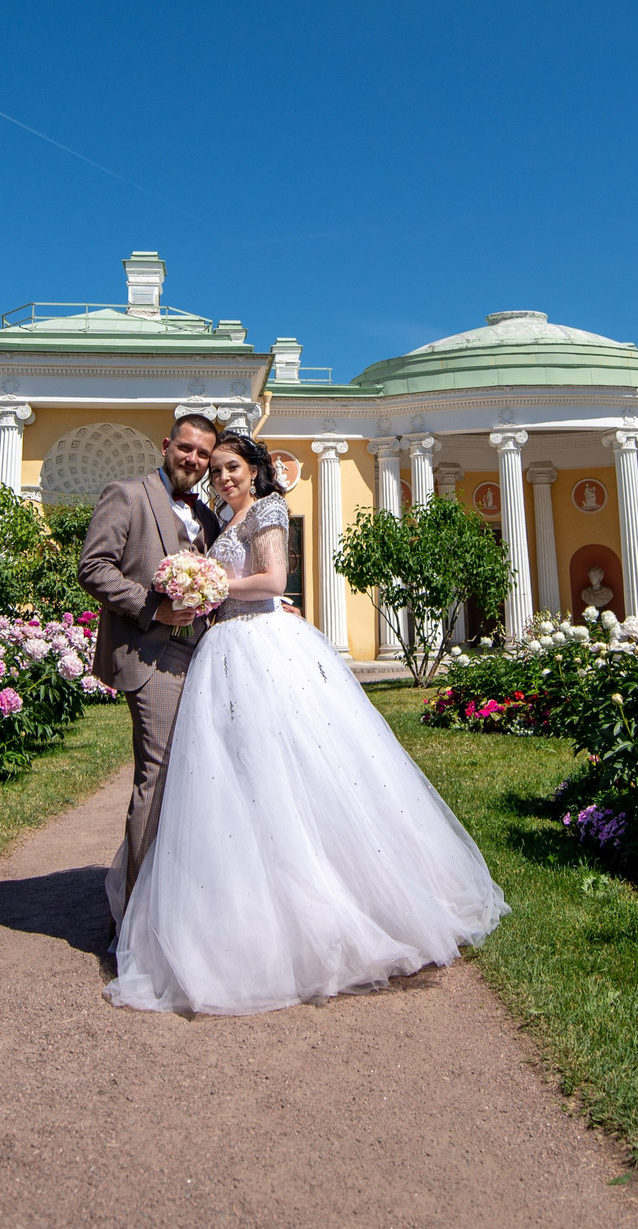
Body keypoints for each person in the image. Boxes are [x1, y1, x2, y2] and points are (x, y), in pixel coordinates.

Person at [107, 429, 508, 1015]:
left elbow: (271, 581)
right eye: (215, 469)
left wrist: (213, 587)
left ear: (255, 468)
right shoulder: (222, 518)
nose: (221, 476)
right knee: (235, 777)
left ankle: (318, 902)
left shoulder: (268, 508)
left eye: (231, 467)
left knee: (283, 766)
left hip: (257, 648)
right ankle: (238, 902)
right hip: (222, 649)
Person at [77, 413, 226, 927]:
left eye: (203, 454)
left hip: (200, 657)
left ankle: (183, 902)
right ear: (167, 445)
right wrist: (152, 608)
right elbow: (94, 568)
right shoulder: (127, 493)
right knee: (158, 776)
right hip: (149, 653)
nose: (193, 460)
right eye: (186, 449)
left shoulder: (206, 516)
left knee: (197, 776)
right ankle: (139, 923)